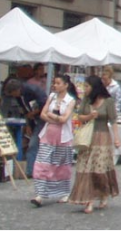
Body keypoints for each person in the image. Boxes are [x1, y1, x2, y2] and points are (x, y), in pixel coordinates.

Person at [69, 75, 120, 214]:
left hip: (102, 137)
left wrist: (117, 138)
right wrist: (89, 116)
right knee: (86, 168)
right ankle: (89, 199)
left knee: (99, 169)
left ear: (95, 87)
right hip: (87, 138)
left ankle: (103, 194)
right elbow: (79, 116)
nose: (84, 89)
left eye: (87, 86)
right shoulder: (86, 100)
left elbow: (113, 120)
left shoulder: (108, 101)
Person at [30, 75, 76, 207]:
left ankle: (64, 192)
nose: (55, 85)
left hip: (62, 137)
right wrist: (53, 118)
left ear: (66, 85)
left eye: (58, 83)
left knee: (61, 166)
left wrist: (51, 116)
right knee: (42, 164)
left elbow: (64, 119)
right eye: (54, 83)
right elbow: (43, 114)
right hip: (48, 134)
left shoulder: (70, 100)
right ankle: (40, 194)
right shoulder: (51, 97)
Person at [3, 78, 48, 177]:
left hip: (42, 118)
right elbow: (25, 110)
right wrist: (28, 123)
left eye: (13, 94)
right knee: (34, 144)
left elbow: (44, 104)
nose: (13, 97)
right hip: (32, 119)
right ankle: (34, 169)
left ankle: (30, 171)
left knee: (33, 144)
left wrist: (33, 113)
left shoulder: (31, 90)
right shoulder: (20, 97)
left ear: (16, 90)